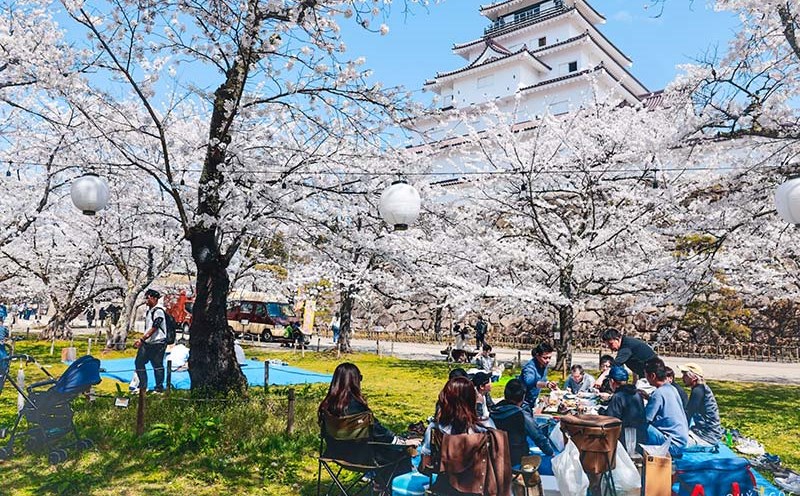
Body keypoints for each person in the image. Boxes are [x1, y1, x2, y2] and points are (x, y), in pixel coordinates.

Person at [318, 363, 413, 488]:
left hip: (334, 453)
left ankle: (380, 484)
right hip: (362, 458)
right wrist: (401, 441)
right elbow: (378, 432)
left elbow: (324, 434)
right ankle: (390, 489)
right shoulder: (357, 408)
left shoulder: (327, 406)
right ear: (355, 381)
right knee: (402, 453)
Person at [421, 376, 501, 494]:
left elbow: (426, 466)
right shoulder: (486, 427)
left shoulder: (435, 428)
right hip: (479, 488)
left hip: (445, 488)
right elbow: (497, 461)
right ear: (472, 399)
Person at [491, 378, 555, 466]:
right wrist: (550, 452)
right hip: (517, 459)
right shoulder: (521, 415)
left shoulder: (494, 411)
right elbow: (538, 437)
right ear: (523, 396)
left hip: (496, 456)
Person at [643, 358, 689, 455]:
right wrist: (648, 397)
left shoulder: (658, 393)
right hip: (682, 442)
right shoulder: (672, 388)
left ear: (652, 376)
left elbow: (645, 418)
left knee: (639, 426)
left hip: (672, 445)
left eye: (646, 375)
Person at [599, 366, 647, 448]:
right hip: (640, 436)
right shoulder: (637, 394)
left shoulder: (618, 396)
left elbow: (611, 420)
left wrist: (601, 411)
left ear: (612, 381)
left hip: (625, 439)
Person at [679, 363, 723, 447]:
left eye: (685, 375)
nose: (682, 378)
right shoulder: (701, 388)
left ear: (694, 377)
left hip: (707, 437)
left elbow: (688, 414)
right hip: (706, 433)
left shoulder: (698, 391)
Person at [133, 289, 168, 394]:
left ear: (154, 298)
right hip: (148, 342)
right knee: (139, 362)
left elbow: (155, 326)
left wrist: (142, 339)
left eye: (147, 298)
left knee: (157, 365)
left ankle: (159, 388)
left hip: (158, 343)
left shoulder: (159, 311)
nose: (146, 300)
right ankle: (142, 386)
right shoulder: (150, 311)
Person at [520, 342, 558, 411]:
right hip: (523, 402)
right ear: (537, 356)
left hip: (533, 400)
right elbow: (530, 382)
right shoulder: (529, 368)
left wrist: (551, 385)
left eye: (550, 357)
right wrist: (546, 384)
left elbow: (542, 380)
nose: (548, 360)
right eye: (545, 358)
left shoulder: (543, 365)